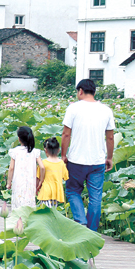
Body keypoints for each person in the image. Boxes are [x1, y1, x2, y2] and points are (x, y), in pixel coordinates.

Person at [61, 78, 115, 231]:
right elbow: (110, 137)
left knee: (72, 191)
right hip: (97, 161)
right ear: (94, 92)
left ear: (80, 91)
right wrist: (109, 158)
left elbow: (66, 135)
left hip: (76, 160)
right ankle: (91, 231)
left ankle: (80, 221)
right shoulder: (106, 110)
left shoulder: (73, 109)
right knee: (95, 197)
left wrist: (63, 155)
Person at [6, 126, 45, 210]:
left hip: (18, 183)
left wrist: (9, 183)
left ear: (19, 139)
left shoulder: (15, 151)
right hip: (31, 183)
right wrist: (41, 180)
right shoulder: (35, 152)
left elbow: (11, 168)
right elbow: (42, 167)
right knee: (29, 206)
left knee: (17, 207)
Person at [38, 137, 69, 208]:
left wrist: (37, 188)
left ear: (45, 150)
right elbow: (66, 177)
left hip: (46, 192)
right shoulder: (61, 163)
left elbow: (38, 177)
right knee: (52, 213)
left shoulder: (44, 163)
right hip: (57, 193)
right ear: (59, 150)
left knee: (45, 213)